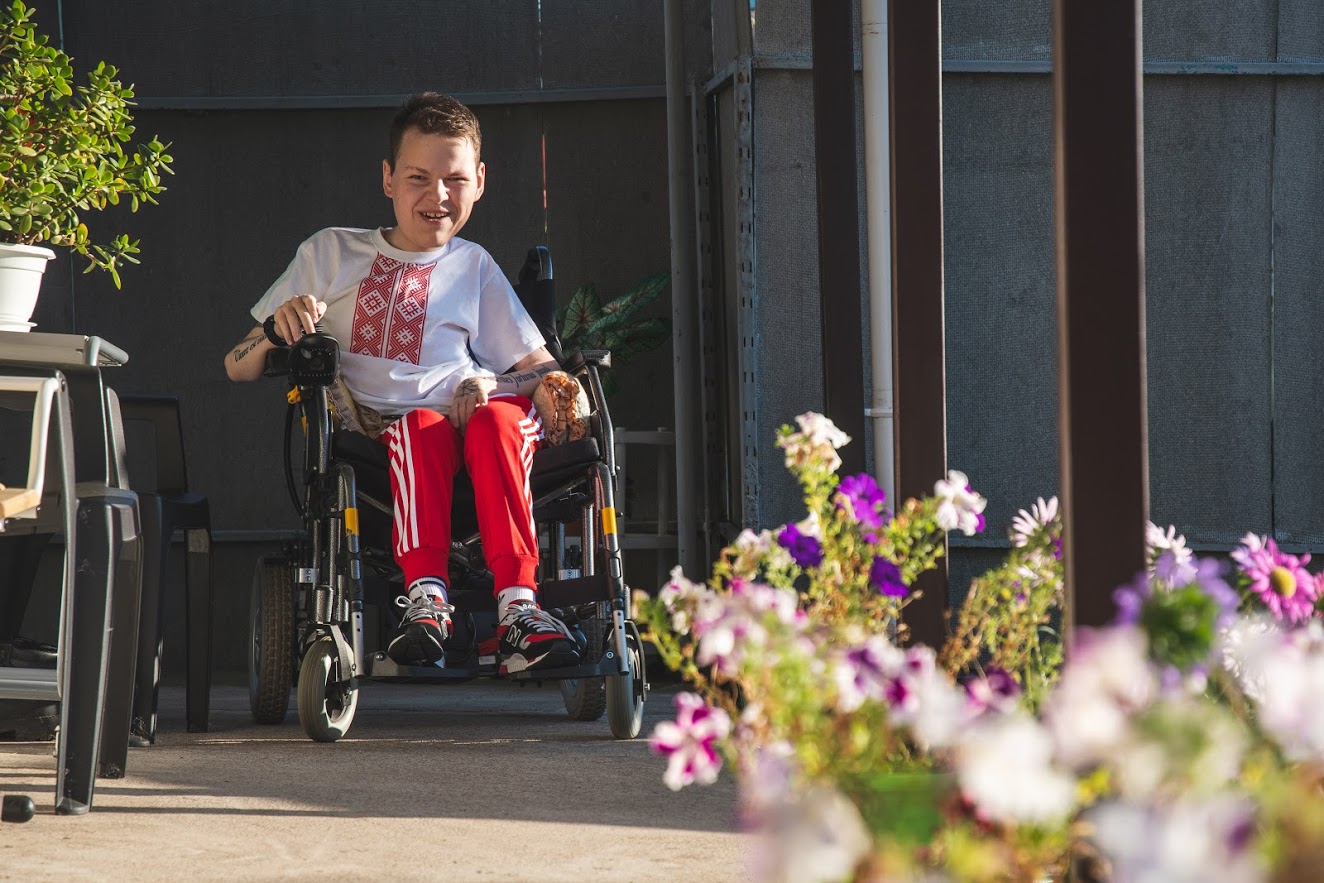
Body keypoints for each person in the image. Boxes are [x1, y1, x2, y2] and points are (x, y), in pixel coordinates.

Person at [224, 93, 579, 674]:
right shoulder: (331, 252)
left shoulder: (474, 265)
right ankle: (427, 602)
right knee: (419, 427)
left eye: (454, 180)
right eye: (418, 177)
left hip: (487, 426)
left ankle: (520, 610)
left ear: (480, 182)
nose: (437, 196)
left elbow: (545, 370)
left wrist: (493, 383)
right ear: (388, 179)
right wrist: (272, 330)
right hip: (390, 439)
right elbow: (236, 365)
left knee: (493, 418)